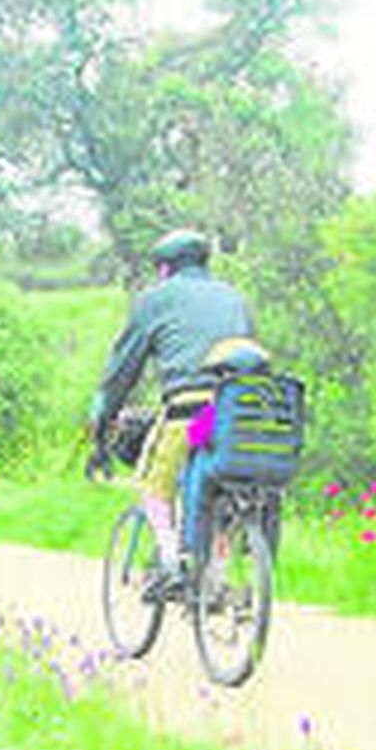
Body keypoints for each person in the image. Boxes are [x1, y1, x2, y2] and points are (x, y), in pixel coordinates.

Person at [87, 228, 259, 594]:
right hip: (237, 415)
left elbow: (122, 371)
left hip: (192, 416)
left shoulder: (154, 300)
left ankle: (170, 563)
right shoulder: (234, 298)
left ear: (165, 268)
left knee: (153, 482)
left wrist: (102, 419)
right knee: (216, 493)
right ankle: (217, 575)